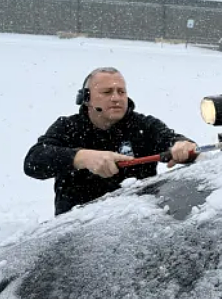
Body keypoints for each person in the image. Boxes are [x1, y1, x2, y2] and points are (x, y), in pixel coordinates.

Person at [24, 67, 198, 215]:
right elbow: (34, 162)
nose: (116, 98)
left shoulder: (144, 125)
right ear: (86, 98)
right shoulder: (68, 127)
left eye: (121, 92)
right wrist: (82, 158)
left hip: (138, 226)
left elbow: (174, 140)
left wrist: (182, 146)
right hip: (78, 228)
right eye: (107, 92)